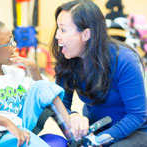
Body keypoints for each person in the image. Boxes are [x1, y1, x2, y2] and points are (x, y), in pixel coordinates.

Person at [0, 19, 71, 147]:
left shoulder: (12, 72)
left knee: (43, 87)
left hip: (17, 127)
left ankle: (74, 134)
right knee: (31, 141)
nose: (15, 44)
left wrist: (33, 68)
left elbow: (44, 93)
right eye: (9, 42)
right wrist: (7, 123)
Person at [50, 0, 147, 146]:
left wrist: (98, 140)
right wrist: (73, 116)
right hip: (96, 130)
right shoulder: (68, 60)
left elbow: (137, 115)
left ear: (86, 34)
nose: (57, 36)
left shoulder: (124, 60)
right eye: (57, 28)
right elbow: (61, 106)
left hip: (134, 132)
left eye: (63, 30)